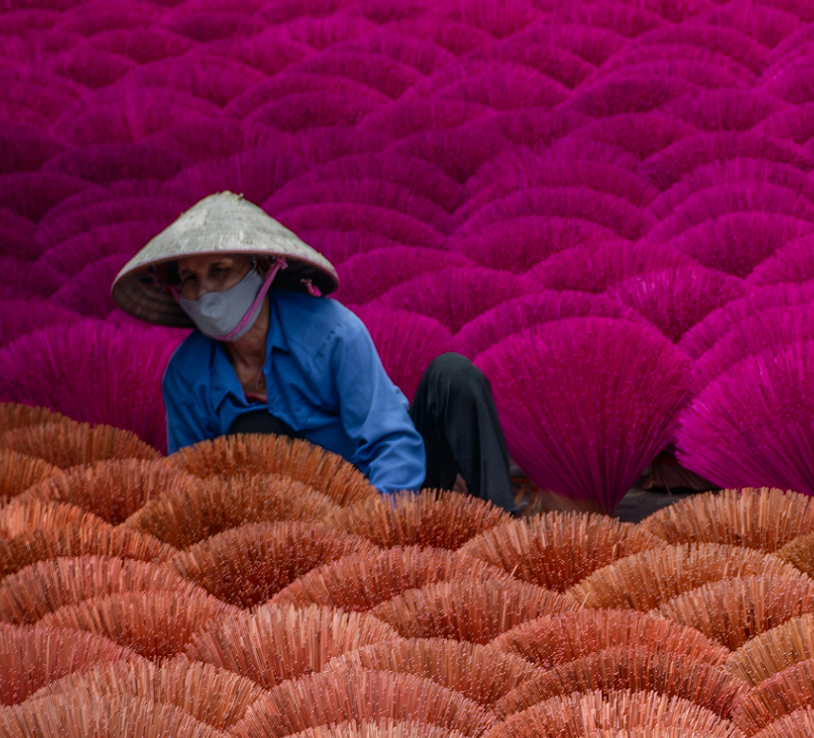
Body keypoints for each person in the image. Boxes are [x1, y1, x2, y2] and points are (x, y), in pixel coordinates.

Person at [113, 192, 515, 510]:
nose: (205, 292)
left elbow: (391, 443)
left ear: (262, 270)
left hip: (388, 493)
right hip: (289, 521)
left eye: (220, 270)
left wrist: (375, 525)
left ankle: (503, 536)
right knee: (254, 435)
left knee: (455, 377)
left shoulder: (333, 334)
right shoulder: (185, 375)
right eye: (190, 278)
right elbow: (191, 478)